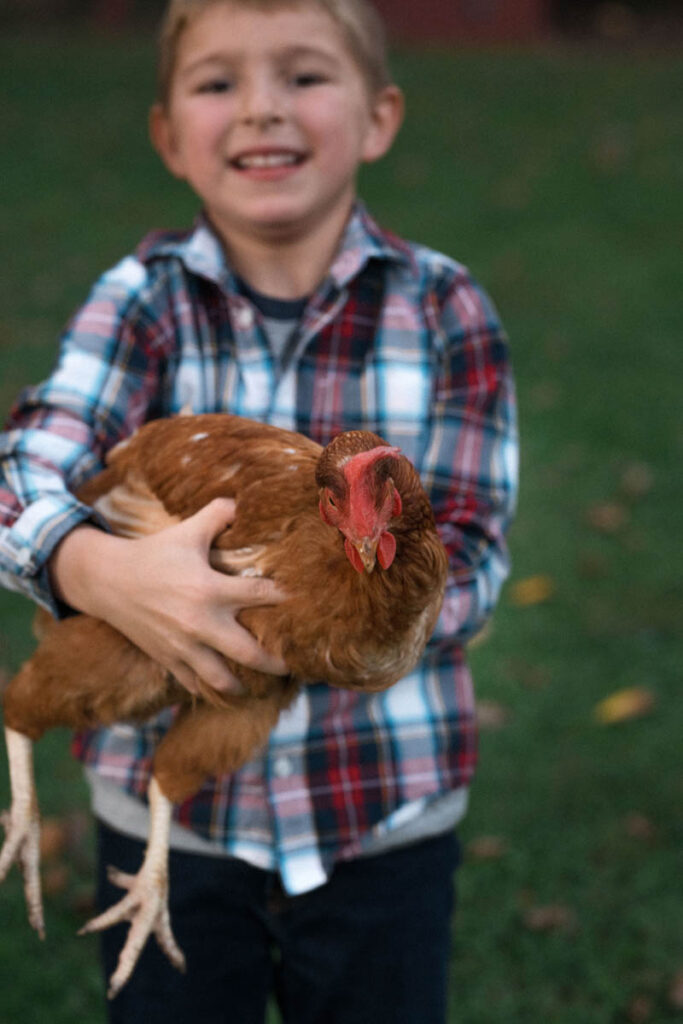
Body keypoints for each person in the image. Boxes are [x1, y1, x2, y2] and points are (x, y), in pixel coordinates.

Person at [0, 0, 518, 1021]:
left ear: (377, 117)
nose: (261, 111)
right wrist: (93, 570)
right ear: (167, 136)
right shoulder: (140, 301)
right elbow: (26, 464)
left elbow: (477, 553)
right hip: (170, 828)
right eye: (217, 82)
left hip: (384, 811)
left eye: (303, 76)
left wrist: (339, 620)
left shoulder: (447, 311)